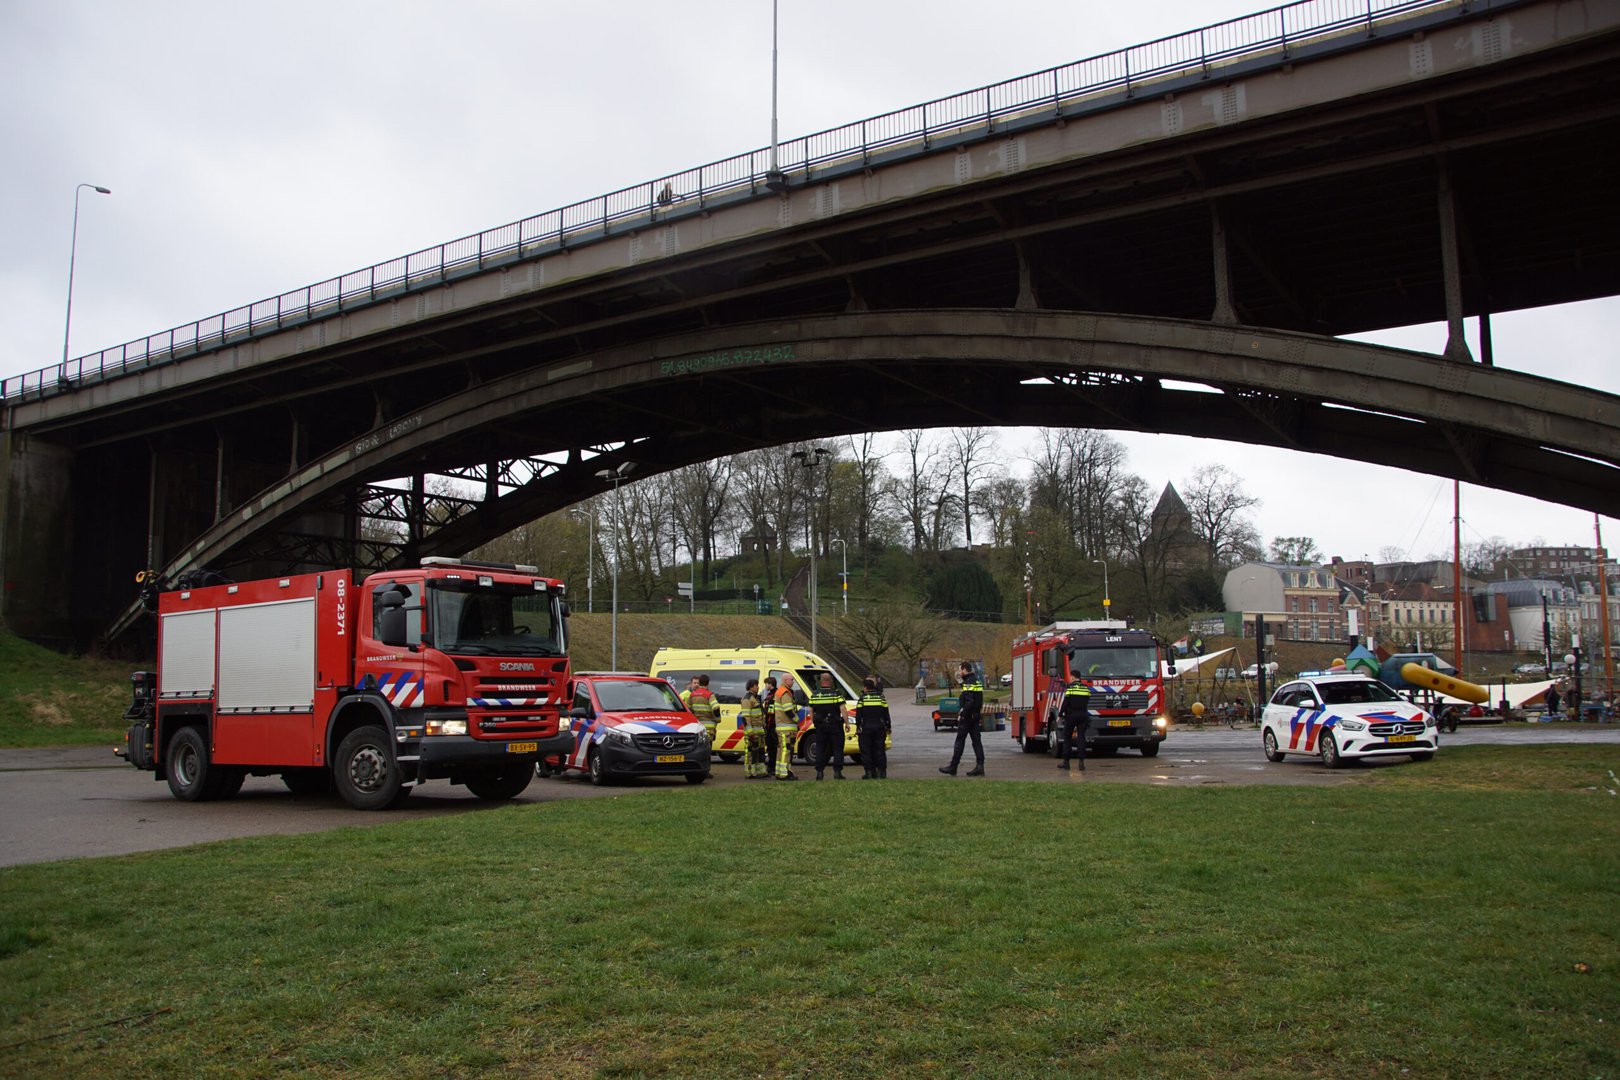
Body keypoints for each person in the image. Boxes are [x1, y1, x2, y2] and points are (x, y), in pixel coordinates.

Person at [939, 663, 986, 776]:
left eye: (960, 670)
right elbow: (978, 700)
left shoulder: (969, 682)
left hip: (968, 717)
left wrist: (962, 713)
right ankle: (980, 766)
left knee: (960, 741)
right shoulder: (977, 680)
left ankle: (953, 766)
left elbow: (969, 701)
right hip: (975, 716)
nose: (959, 672)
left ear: (965, 670)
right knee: (977, 742)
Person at [808, 672, 848, 780]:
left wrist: (814, 722)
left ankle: (819, 773)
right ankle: (837, 773)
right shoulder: (836, 694)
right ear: (830, 681)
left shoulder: (815, 695)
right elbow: (843, 710)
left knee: (820, 749)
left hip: (821, 727)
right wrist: (847, 723)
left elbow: (810, 710)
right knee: (837, 750)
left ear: (821, 681)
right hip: (835, 726)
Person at [856, 677, 891, 779]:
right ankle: (882, 772)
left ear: (866, 687)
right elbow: (886, 713)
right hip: (879, 727)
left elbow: (858, 715)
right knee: (880, 750)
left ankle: (869, 772)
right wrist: (888, 726)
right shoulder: (881, 697)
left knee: (866, 751)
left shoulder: (863, 698)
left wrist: (858, 726)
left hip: (866, 728)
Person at [1058, 675, 1092, 771]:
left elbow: (1065, 703)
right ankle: (1081, 763)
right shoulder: (1086, 689)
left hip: (1071, 716)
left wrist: (1060, 714)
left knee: (1067, 737)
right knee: (1081, 737)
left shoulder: (1070, 688)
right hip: (1083, 716)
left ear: (1073, 678)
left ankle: (1066, 762)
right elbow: (1087, 701)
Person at [738, 678, 770, 779]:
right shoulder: (747, 699)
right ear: (751, 687)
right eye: (756, 685)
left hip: (759, 731)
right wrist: (750, 732)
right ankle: (749, 772)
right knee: (751, 752)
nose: (758, 687)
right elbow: (746, 717)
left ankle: (760, 771)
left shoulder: (755, 698)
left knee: (760, 752)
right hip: (752, 732)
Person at [771, 675, 800, 781]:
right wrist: (797, 720)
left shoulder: (781, 691)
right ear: (784, 680)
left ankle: (779, 772)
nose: (793, 681)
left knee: (781, 750)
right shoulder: (785, 692)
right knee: (786, 750)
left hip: (782, 727)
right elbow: (788, 710)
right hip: (786, 727)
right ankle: (784, 773)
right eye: (791, 679)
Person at [685, 674, 719, 744]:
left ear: (699, 682)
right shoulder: (709, 695)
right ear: (708, 683)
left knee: (698, 747)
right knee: (707, 748)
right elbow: (716, 708)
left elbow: (688, 710)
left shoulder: (692, 695)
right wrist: (718, 719)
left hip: (697, 726)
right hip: (709, 728)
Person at [760, 676, 779, 775]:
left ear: (770, 684)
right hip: (769, 725)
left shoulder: (774, 695)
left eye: (766, 684)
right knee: (770, 747)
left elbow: (772, 712)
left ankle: (773, 767)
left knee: (773, 747)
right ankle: (771, 767)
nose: (765, 686)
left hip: (772, 725)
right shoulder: (769, 695)